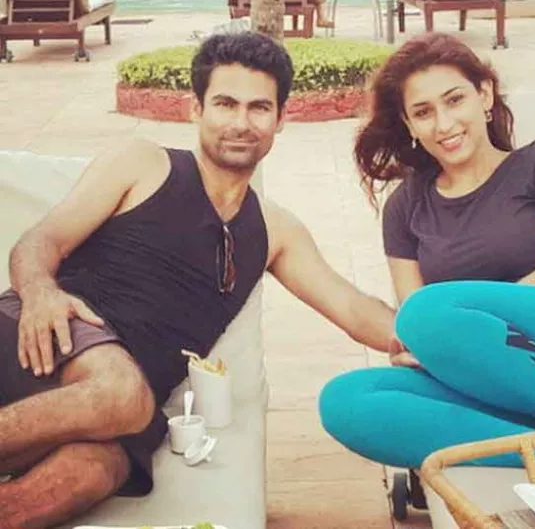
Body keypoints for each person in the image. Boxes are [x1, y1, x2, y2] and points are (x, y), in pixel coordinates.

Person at [0, 32, 395, 529]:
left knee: (92, 472)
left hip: (122, 408)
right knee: (121, 392)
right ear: (196, 109)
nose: (241, 123)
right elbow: (42, 240)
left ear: (280, 118)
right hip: (53, 332)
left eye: (258, 108)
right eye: (225, 104)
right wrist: (40, 293)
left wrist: (434, 343)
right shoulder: (144, 163)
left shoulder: (274, 232)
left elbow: (353, 309)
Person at [318, 31, 535, 485]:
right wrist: (440, 344)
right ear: (409, 125)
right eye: (423, 112)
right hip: (513, 389)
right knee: (347, 400)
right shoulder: (405, 207)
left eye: (454, 100)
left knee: (429, 312)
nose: (444, 124)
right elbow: (412, 332)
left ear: (484, 96)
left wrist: (471, 327)